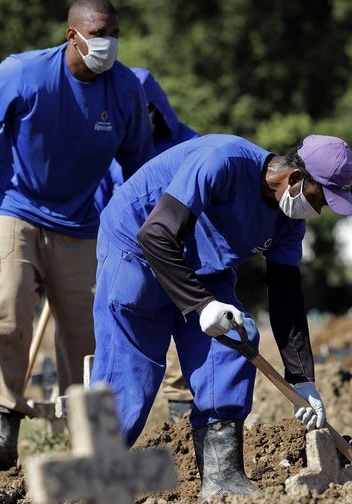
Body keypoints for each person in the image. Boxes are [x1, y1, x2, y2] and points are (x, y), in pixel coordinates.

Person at [0, 0, 152, 471]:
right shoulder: (25, 73)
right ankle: (4, 425)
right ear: (72, 35)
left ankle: (88, 436)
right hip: (14, 206)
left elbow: (139, 163)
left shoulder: (125, 90)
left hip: (80, 221)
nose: (108, 43)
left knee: (88, 332)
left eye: (115, 32)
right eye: (99, 32)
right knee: (7, 311)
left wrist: (145, 221)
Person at [92, 133, 352, 498]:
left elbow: (286, 296)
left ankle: (222, 479)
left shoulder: (288, 220)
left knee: (237, 338)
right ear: (297, 178)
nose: (322, 209)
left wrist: (302, 378)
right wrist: (202, 306)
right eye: (323, 198)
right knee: (132, 364)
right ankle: (95, 472)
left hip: (201, 262)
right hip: (136, 245)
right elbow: (155, 234)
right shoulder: (222, 161)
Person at [99, 67, 201, 423]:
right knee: (119, 345)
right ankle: (103, 439)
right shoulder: (113, 148)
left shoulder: (190, 145)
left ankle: (181, 417)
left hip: (180, 254)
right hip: (127, 254)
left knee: (185, 336)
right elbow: (101, 197)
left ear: (154, 107)